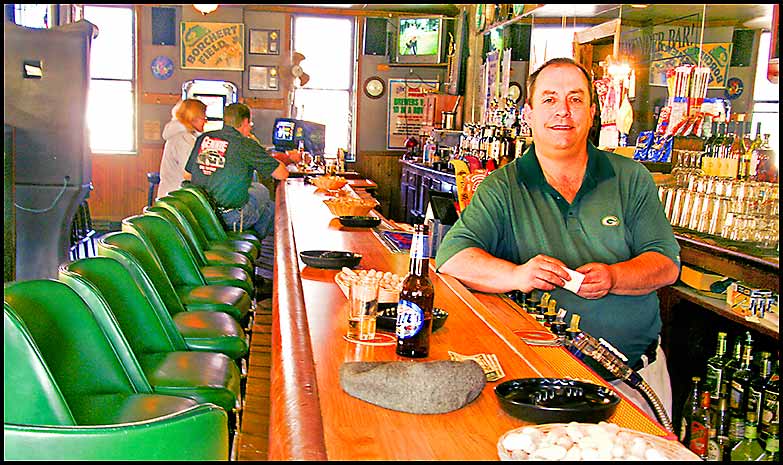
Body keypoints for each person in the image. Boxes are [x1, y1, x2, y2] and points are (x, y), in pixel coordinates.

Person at [434, 57, 681, 421]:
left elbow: (666, 265)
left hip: (633, 380)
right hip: (540, 382)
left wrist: (614, 277)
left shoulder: (631, 178)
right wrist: (519, 275)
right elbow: (452, 257)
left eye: (575, 99)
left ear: (593, 112)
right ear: (529, 113)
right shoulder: (504, 186)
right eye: (549, 99)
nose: (562, 111)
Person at [185, 103, 288, 241]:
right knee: (263, 193)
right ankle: (260, 246)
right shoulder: (245, 144)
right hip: (229, 217)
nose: (250, 127)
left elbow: (187, 175)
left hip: (201, 213)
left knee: (268, 207)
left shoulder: (204, 138)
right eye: (250, 123)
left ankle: (258, 247)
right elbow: (282, 174)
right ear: (245, 122)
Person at [157, 99, 207, 199]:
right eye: (203, 117)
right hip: (177, 198)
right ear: (193, 118)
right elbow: (188, 173)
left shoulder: (182, 137)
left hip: (171, 194)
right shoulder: (183, 140)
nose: (205, 121)